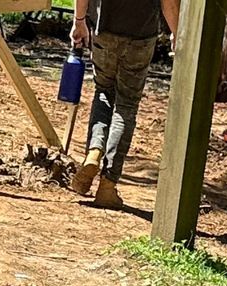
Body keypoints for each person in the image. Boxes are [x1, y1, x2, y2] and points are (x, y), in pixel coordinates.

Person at [71, 0, 180, 208]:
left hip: (105, 30)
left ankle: (94, 151)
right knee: (126, 105)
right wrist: (176, 32)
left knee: (103, 91)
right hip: (141, 36)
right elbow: (169, 3)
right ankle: (108, 185)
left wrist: (79, 21)